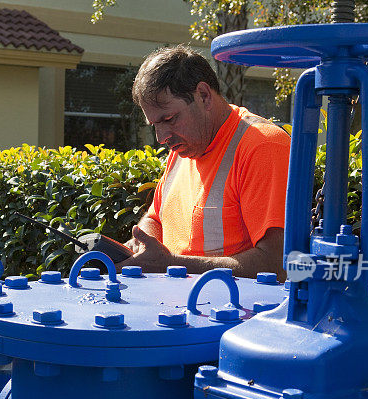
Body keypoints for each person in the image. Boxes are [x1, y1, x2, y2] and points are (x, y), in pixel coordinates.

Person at [118, 44, 290, 279]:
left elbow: (277, 264)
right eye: (155, 125)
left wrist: (171, 265)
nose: (161, 138)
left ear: (204, 96)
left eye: (169, 119)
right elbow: (155, 218)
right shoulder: (184, 148)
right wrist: (145, 244)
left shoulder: (262, 146)